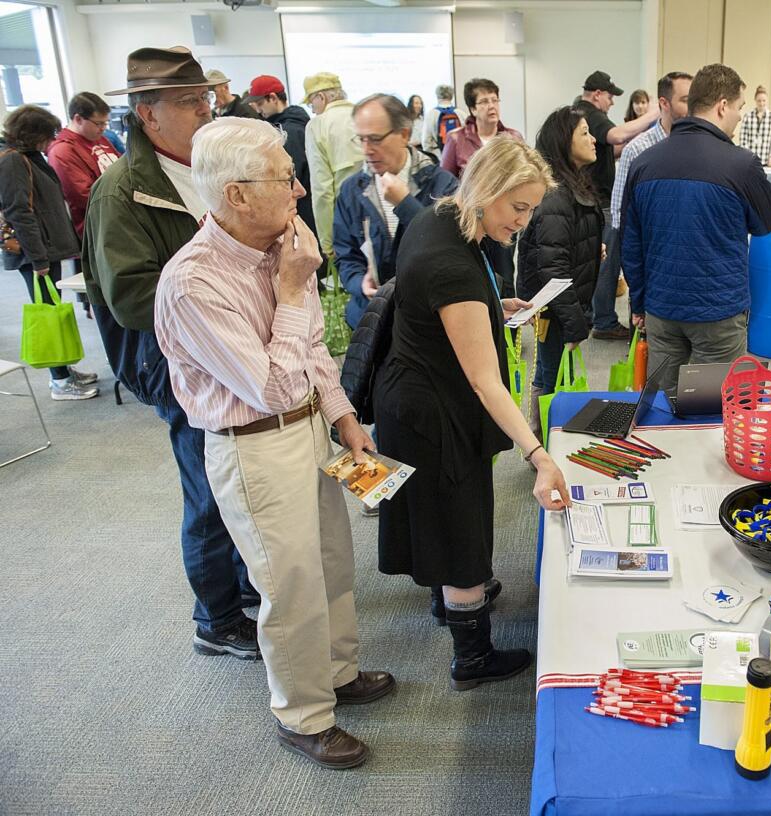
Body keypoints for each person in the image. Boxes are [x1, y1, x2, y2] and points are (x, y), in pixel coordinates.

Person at [154, 117, 394, 770]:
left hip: (311, 427)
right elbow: (269, 387)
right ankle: (304, 716)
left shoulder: (285, 240)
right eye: (285, 179)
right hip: (253, 442)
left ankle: (338, 674)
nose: (297, 189)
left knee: (333, 561)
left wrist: (343, 415)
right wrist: (292, 288)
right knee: (289, 586)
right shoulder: (192, 282)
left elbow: (312, 348)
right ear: (235, 194)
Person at [373, 137, 570, 690]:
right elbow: (485, 380)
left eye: (531, 209)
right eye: (519, 207)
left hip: (415, 394)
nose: (524, 222)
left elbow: (445, 307)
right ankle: (473, 656)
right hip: (434, 412)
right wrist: (539, 456)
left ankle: (451, 598)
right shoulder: (451, 267)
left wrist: (490, 305)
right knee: (459, 528)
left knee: (442, 518)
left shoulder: (439, 216)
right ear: (486, 191)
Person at [84, 46, 259, 658]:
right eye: (189, 102)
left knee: (237, 481)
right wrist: (224, 297)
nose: (205, 110)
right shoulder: (122, 193)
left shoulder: (202, 168)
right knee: (208, 490)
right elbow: (132, 298)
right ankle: (215, 618)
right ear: (146, 113)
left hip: (226, 353)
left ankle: (242, 591)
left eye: (206, 98)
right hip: (175, 366)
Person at [621, 63, 771, 398]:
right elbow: (768, 222)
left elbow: (630, 243)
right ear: (723, 106)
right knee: (713, 408)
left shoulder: (643, 162)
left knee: (662, 406)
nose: (740, 117)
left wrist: (640, 303)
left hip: (662, 309)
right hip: (718, 314)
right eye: (739, 108)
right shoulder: (741, 164)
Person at [334, 93, 458, 328]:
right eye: (360, 139)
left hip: (427, 321)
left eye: (375, 139)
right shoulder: (352, 190)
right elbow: (346, 255)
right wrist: (360, 283)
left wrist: (406, 205)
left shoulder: (442, 184)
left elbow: (452, 250)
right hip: (371, 319)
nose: (367, 150)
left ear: (404, 135)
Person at [0, 105, 97, 400]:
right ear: (33, 134)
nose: (50, 141)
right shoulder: (13, 161)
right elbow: (20, 212)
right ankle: (59, 379)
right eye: (46, 135)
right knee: (47, 313)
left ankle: (64, 370)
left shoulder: (28, 157)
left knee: (53, 310)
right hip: (35, 253)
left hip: (44, 249)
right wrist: (39, 257)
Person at [516, 107, 602, 437]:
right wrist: (575, 324)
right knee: (550, 376)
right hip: (556, 308)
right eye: (584, 133)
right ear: (564, 141)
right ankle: (540, 447)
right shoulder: (555, 195)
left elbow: (562, 246)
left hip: (565, 304)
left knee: (553, 373)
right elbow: (553, 268)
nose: (592, 139)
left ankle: (545, 440)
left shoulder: (570, 184)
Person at [573, 70, 659, 341]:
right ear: (597, 94)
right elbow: (617, 136)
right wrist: (652, 116)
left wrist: (638, 143)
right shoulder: (590, 113)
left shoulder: (585, 113)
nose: (612, 102)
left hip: (594, 199)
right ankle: (605, 321)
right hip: (600, 202)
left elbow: (611, 150)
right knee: (607, 264)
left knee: (605, 262)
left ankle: (603, 318)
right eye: (610, 96)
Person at [607, 70, 691, 325]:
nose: (694, 106)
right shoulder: (637, 150)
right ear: (664, 104)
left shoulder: (697, 147)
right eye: (686, 100)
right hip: (651, 269)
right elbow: (620, 216)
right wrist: (636, 282)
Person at [247, 75, 317, 245]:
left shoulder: (287, 133)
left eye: (259, 103)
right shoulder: (301, 123)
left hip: (300, 212)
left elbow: (287, 178)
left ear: (272, 97)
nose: (257, 110)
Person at [302, 72, 364, 260]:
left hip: (348, 222)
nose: (312, 110)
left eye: (311, 103)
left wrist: (327, 243)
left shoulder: (318, 125)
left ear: (321, 96)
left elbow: (322, 190)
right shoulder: (365, 114)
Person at [47, 92, 120, 239]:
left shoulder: (101, 139)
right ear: (78, 119)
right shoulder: (63, 151)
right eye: (99, 123)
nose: (103, 128)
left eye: (105, 123)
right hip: (95, 229)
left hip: (116, 218)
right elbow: (83, 196)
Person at [441, 78, 523, 179]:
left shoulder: (513, 137)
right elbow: (444, 183)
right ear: (473, 109)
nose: (492, 106)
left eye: (495, 100)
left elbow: (523, 176)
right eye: (484, 102)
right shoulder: (456, 139)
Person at [738, 85, 771, 166]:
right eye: (759, 101)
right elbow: (743, 139)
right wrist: (747, 157)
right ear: (755, 100)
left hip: (766, 162)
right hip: (750, 161)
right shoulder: (747, 116)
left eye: (764, 100)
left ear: (767, 100)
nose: (761, 103)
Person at [422, 84, 458, 155]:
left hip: (440, 157)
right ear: (451, 96)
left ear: (437, 96)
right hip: (459, 157)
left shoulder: (430, 114)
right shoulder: (461, 113)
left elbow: (426, 141)